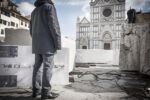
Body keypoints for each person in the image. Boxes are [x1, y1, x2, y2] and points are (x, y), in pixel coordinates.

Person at [30, 0, 61, 99]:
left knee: (37, 68)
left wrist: (36, 40)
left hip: (37, 44)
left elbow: (31, 30)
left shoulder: (34, 11)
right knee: (48, 67)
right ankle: (46, 93)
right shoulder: (49, 7)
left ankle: (35, 91)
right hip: (48, 44)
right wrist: (57, 43)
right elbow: (54, 26)